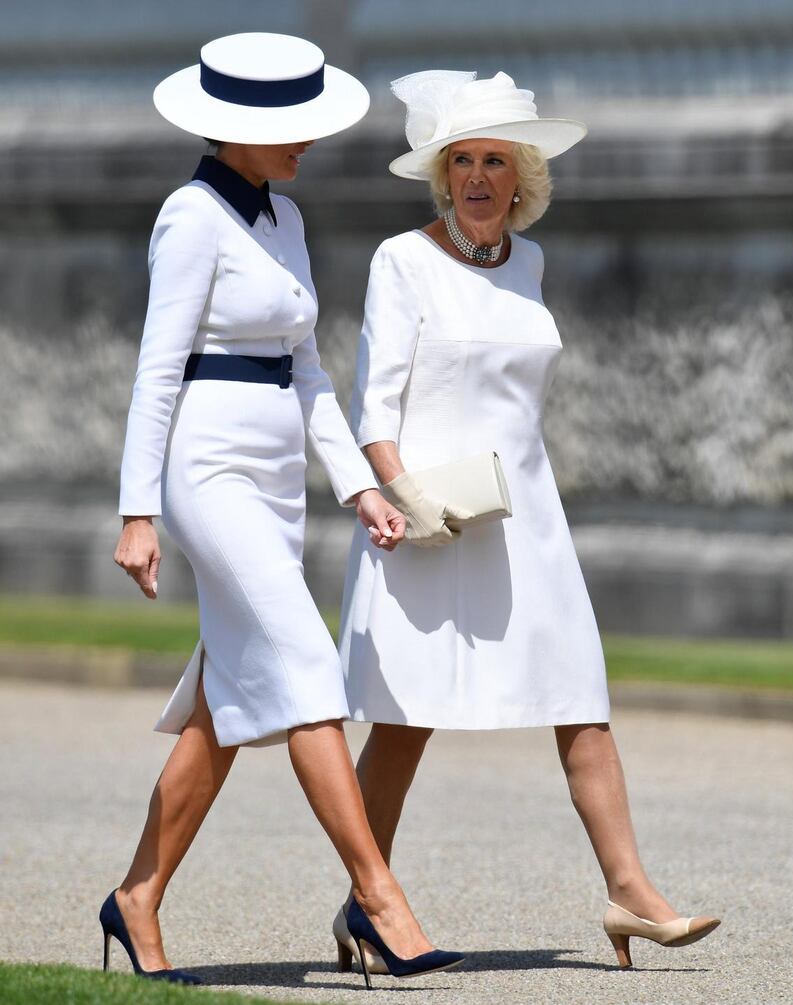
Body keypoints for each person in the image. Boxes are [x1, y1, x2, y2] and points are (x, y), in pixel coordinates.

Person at [338, 69, 721, 970]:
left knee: (579, 695)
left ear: (523, 177)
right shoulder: (402, 259)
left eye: (495, 161)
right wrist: (404, 493)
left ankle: (631, 893)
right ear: (443, 174)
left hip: (528, 515)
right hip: (429, 520)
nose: (477, 176)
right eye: (461, 159)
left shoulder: (533, 262)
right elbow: (372, 409)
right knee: (405, 719)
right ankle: (367, 900)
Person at [107, 35, 462, 989]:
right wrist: (139, 510)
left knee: (228, 702)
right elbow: (155, 370)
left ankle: (136, 896)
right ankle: (379, 898)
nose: (306, 141)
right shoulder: (189, 216)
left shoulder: (287, 218)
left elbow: (308, 371)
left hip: (273, 479)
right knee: (306, 663)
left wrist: (358, 485)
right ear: (235, 131)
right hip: (206, 467)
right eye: (288, 128)